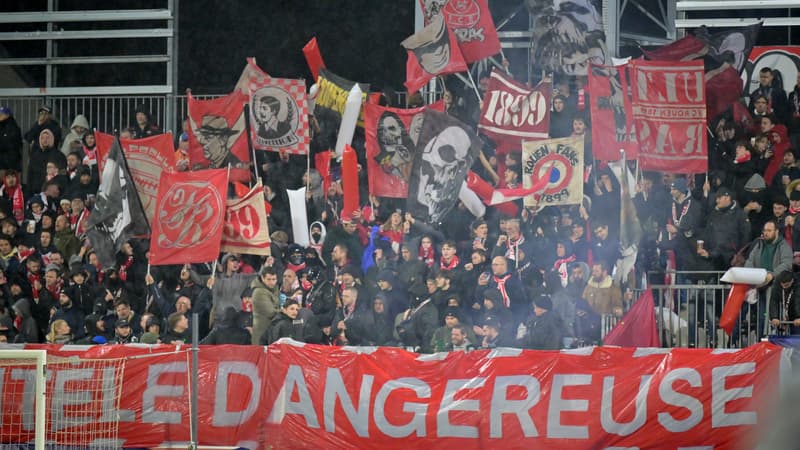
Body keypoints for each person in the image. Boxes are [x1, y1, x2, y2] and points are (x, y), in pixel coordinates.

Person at [250, 266, 280, 345]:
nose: (272, 282)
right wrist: (284, 310)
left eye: (274, 279)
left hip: (271, 334)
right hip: (261, 335)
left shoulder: (275, 290)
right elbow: (270, 312)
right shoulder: (259, 292)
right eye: (269, 279)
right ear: (263, 278)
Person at [769, 270, 800, 335]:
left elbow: (797, 301)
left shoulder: (798, 284)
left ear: (792, 281)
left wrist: (798, 317)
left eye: (786, 285)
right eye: (782, 285)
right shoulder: (777, 283)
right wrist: (774, 317)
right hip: (787, 312)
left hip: (796, 312)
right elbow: (774, 300)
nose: (784, 287)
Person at [0, 106, 22, 178]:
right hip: (3, 161)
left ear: (7, 115)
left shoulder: (13, 128)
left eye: (1, 114)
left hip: (11, 163)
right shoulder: (2, 126)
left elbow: (10, 144)